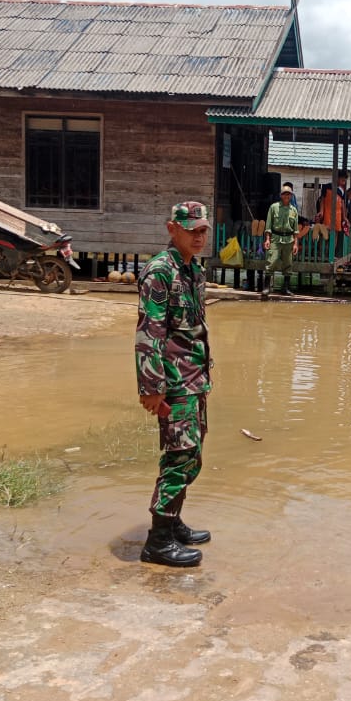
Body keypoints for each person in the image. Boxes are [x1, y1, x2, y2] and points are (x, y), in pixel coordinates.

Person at [135, 201, 214, 568]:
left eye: (203, 231)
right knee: (179, 456)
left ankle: (173, 519)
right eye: (192, 230)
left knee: (192, 453)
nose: (199, 237)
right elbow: (150, 332)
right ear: (172, 229)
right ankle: (158, 541)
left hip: (195, 378)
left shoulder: (193, 270)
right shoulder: (160, 272)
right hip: (173, 381)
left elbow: (194, 330)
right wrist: (152, 387)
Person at [263, 183, 300, 296]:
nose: (286, 196)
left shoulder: (294, 210)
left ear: (291, 196)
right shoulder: (274, 207)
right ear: (281, 195)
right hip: (275, 238)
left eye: (289, 194)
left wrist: (295, 244)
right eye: (284, 194)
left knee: (288, 264)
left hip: (289, 239)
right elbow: (268, 226)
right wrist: (268, 239)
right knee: (271, 262)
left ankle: (286, 288)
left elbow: (296, 230)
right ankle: (266, 288)